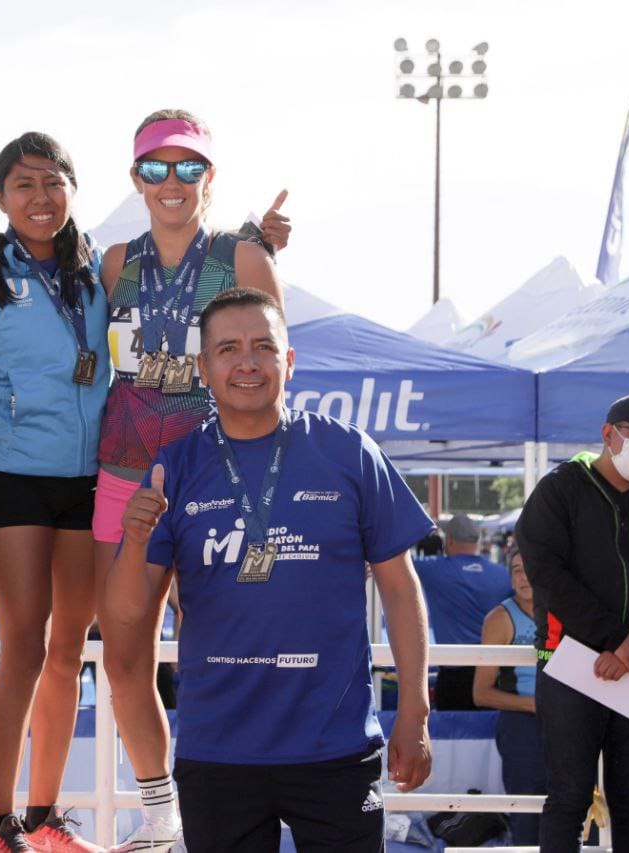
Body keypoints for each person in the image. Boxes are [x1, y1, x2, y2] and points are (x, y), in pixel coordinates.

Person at [107, 289, 433, 852]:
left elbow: (401, 589)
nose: (248, 363)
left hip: (336, 746)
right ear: (204, 368)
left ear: (290, 360)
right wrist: (135, 539)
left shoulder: (349, 452)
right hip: (219, 751)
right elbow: (126, 614)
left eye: (264, 346)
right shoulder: (175, 467)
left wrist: (415, 713)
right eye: (228, 349)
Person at [92, 109, 289, 851]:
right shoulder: (115, 264)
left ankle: (245, 795)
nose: (170, 183)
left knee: (228, 639)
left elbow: (272, 371)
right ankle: (159, 814)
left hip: (213, 472)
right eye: (154, 168)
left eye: (187, 167)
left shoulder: (242, 260)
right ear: (135, 178)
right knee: (122, 653)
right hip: (123, 475)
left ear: (210, 176)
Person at [0, 131, 109, 852]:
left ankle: (45, 817)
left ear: (73, 189)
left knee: (68, 648)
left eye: (52, 182)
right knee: (21, 643)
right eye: (23, 184)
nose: (39, 197)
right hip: (13, 471)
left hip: (89, 475)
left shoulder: (101, 269)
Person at [515, 393, 629, 852]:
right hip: (571, 663)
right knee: (568, 797)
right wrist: (619, 640)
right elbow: (546, 573)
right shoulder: (560, 488)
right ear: (609, 433)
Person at [472, 547, 543, 845]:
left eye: (529, 569)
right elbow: (481, 693)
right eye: (516, 570)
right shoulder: (500, 619)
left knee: (578, 810)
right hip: (523, 723)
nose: (524, 577)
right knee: (527, 816)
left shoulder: (567, 610)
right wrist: (532, 705)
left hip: (568, 720)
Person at [413, 513, 511, 710]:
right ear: (476, 541)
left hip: (453, 672)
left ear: (448, 541)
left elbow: (393, 560)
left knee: (451, 739)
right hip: (492, 672)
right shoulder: (503, 574)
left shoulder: (434, 569)